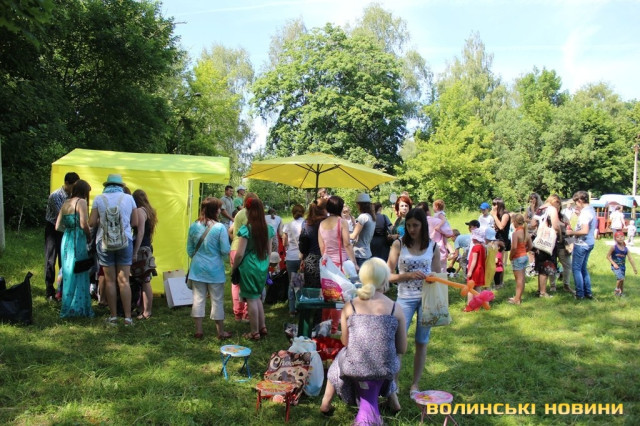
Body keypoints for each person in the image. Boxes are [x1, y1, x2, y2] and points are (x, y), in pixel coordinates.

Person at [319, 258, 407, 417]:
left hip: (354, 368)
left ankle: (326, 403)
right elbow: (402, 348)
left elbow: (345, 342)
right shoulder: (396, 308)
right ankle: (394, 401)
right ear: (385, 280)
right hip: (386, 368)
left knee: (339, 359)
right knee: (389, 356)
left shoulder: (350, 306)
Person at [387, 208, 435, 395]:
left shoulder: (432, 246)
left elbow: (439, 275)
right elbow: (387, 275)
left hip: (427, 299)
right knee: (398, 343)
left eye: (415, 225)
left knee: (422, 341)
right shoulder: (398, 244)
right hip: (405, 299)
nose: (412, 229)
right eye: (408, 225)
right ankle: (393, 384)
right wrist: (406, 276)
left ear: (423, 225)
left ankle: (415, 384)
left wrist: (433, 278)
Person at [89, 174, 138, 326]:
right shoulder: (129, 198)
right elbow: (135, 222)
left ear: (107, 185)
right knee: (124, 280)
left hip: (104, 242)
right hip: (125, 241)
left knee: (110, 280)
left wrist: (103, 219)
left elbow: (91, 222)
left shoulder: (99, 199)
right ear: (121, 186)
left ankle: (113, 317)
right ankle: (128, 318)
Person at [186, 197, 232, 340]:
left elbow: (189, 250)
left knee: (198, 299)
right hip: (215, 269)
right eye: (218, 208)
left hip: (197, 268)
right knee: (217, 300)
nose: (220, 210)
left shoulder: (194, 226)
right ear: (214, 210)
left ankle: (199, 331)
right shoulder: (220, 228)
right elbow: (225, 250)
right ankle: (220, 332)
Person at [231, 196, 275, 340]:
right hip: (263, 265)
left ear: (248, 211)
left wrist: (234, 267)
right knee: (257, 297)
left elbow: (239, 254)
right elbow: (269, 251)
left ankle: (254, 332)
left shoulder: (246, 229)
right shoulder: (268, 229)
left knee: (251, 299)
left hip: (249, 266)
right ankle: (262, 327)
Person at [319, 196, 358, 333]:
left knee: (327, 295)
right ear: (340, 208)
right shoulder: (342, 222)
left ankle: (324, 325)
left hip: (326, 265)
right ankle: (334, 328)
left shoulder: (322, 224)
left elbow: (322, 247)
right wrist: (354, 263)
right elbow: (347, 244)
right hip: (339, 265)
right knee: (338, 298)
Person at [55, 179, 94, 318]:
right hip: (78, 239)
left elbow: (57, 226)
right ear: (84, 192)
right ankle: (79, 307)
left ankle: (67, 305)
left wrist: (69, 229)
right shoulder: (81, 202)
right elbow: (84, 224)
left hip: (66, 239)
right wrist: (89, 236)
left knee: (68, 272)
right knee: (79, 270)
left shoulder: (66, 202)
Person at [45, 171, 80, 301]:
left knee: (64, 260)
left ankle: (62, 290)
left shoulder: (73, 196)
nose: (74, 189)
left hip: (66, 230)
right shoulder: (55, 196)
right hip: (53, 229)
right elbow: (63, 215)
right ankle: (49, 290)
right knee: (50, 259)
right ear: (66, 183)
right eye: (73, 186)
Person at [566, 191, 598, 300]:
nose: (576, 205)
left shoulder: (585, 213)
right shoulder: (591, 210)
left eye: (576, 202)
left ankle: (580, 294)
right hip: (589, 243)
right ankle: (588, 292)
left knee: (576, 269)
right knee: (583, 269)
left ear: (580, 200)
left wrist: (571, 232)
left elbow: (584, 230)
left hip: (582, 244)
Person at [132, 189, 157, 320]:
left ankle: (147, 311)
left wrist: (135, 251)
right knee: (144, 279)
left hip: (142, 248)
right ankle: (143, 309)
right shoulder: (149, 211)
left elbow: (140, 232)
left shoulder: (140, 211)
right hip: (147, 246)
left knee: (145, 280)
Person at [229, 192, 255, 322]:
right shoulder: (252, 214)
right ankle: (246, 314)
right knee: (247, 282)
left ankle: (237, 314)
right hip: (245, 250)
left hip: (234, 248)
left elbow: (230, 230)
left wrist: (235, 238)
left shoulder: (239, 214)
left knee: (236, 282)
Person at [532, 195, 562, 297]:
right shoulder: (552, 209)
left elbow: (532, 223)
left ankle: (539, 289)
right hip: (548, 241)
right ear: (555, 201)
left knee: (540, 265)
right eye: (558, 203)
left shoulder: (540, 209)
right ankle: (543, 292)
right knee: (546, 266)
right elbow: (555, 225)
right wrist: (559, 234)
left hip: (539, 240)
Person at [299, 200, 327, 289]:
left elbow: (303, 245)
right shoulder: (327, 221)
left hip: (311, 260)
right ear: (324, 209)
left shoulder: (306, 223)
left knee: (312, 291)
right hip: (327, 259)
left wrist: (303, 258)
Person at [283, 204, 305, 316]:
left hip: (291, 256)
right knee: (300, 283)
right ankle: (301, 306)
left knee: (291, 284)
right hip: (302, 257)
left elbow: (284, 243)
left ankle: (292, 309)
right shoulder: (306, 223)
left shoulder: (288, 225)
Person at [508, 214, 532, 304]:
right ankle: (519, 297)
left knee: (518, 279)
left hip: (517, 257)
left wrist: (510, 256)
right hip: (524, 256)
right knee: (522, 278)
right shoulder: (526, 232)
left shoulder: (515, 233)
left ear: (515, 222)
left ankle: (517, 299)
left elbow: (514, 247)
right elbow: (531, 246)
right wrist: (525, 251)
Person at [607, 231, 637, 297]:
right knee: (620, 278)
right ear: (615, 239)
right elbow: (608, 256)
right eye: (618, 237)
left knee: (622, 281)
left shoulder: (626, 249)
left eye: (622, 236)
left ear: (624, 237)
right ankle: (616, 290)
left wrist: (634, 268)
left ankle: (621, 293)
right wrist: (614, 264)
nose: (620, 238)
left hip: (622, 266)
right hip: (616, 266)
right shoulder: (613, 247)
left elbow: (630, 259)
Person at [350, 193, 376, 267]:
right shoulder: (371, 217)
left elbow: (353, 236)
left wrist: (341, 233)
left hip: (359, 254)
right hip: (367, 253)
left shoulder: (363, 217)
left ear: (359, 205)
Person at [466, 228, 486, 302]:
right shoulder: (482, 247)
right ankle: (478, 303)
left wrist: (470, 271)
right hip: (480, 270)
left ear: (475, 239)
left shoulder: (475, 248)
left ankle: (470, 304)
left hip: (475, 271)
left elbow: (474, 260)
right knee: (477, 288)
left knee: (470, 288)